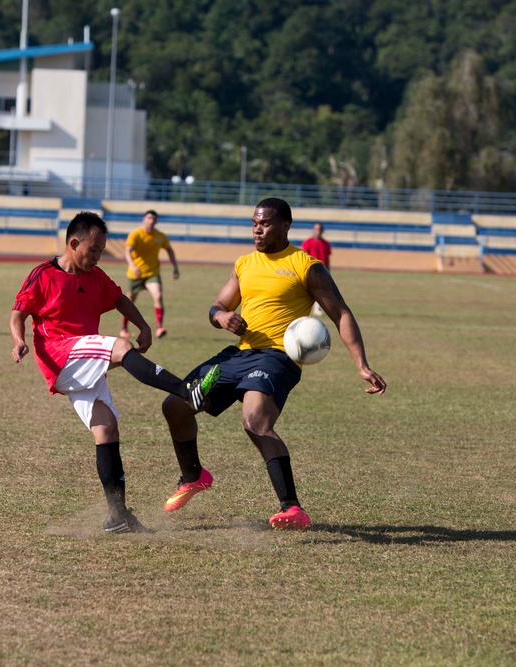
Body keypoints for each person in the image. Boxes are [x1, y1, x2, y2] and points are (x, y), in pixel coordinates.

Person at [160, 198, 386, 531]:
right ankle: (194, 476)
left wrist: (362, 365)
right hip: (239, 354)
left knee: (254, 421)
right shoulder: (244, 263)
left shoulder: (306, 265)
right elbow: (218, 305)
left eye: (264, 223)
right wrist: (222, 316)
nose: (257, 229)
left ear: (285, 226)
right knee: (175, 405)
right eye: (254, 223)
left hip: (278, 357)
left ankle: (292, 508)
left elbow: (342, 314)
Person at [10, 211, 219, 534]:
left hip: (82, 360)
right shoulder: (43, 275)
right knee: (120, 347)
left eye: (101, 251)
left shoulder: (95, 277)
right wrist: (17, 341)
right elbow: (18, 313)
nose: (97, 256)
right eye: (92, 250)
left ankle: (117, 517)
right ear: (73, 242)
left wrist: (144, 325)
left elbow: (120, 299)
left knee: (106, 428)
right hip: (59, 353)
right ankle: (185, 389)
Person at [120, 209, 180, 339]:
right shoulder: (136, 234)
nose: (151, 221)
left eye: (153, 219)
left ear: (156, 221)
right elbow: (127, 251)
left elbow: (169, 250)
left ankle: (159, 327)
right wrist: (133, 265)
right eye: (149, 218)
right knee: (129, 302)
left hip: (152, 273)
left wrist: (175, 266)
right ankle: (124, 328)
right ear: (144, 219)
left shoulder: (160, 236)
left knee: (158, 296)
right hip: (135, 273)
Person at [301, 222, 331, 316]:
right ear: (313, 230)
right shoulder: (308, 242)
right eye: (316, 229)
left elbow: (327, 258)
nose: (318, 231)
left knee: (321, 290)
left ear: (323, 230)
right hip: (310, 270)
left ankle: (317, 308)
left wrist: (328, 271)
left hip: (322, 271)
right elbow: (303, 256)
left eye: (320, 229)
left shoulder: (326, 244)